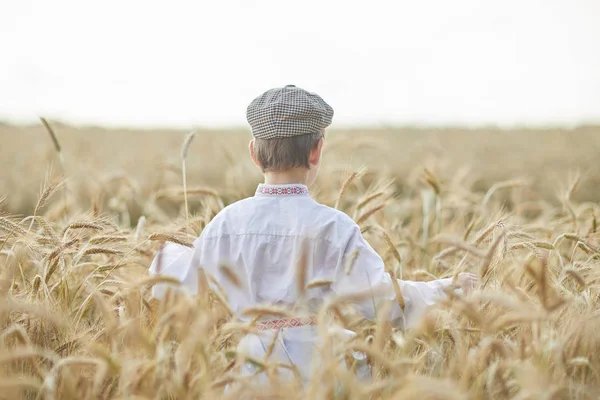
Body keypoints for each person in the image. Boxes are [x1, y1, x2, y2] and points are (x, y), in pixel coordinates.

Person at [148, 84, 479, 388]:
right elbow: (384, 302)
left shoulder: (226, 223)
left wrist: (168, 253)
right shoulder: (334, 228)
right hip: (320, 372)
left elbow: (175, 283)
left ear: (253, 152)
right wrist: (447, 290)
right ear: (316, 151)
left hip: (248, 372)